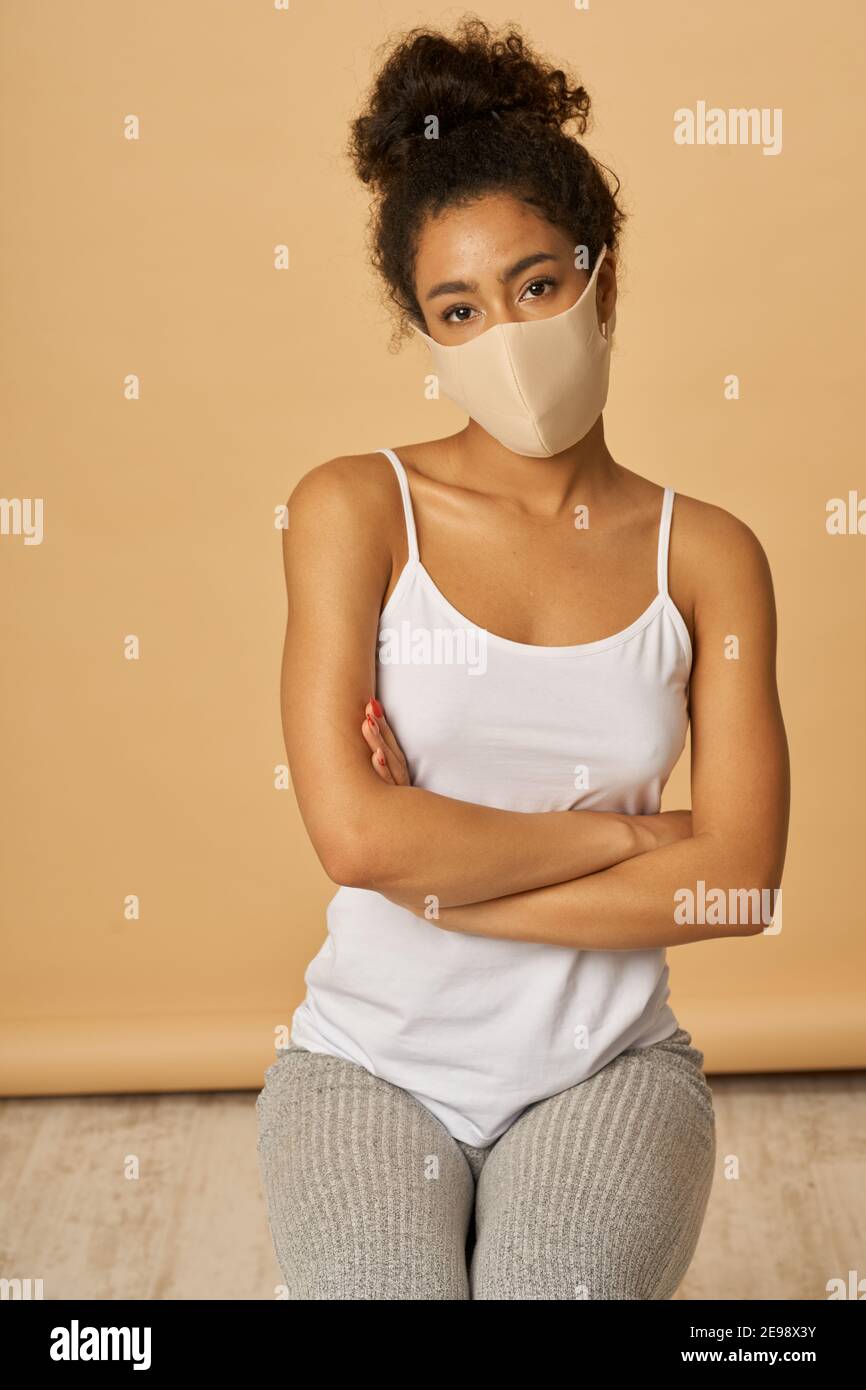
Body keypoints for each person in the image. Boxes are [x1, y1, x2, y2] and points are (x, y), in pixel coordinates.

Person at [256, 16, 790, 1300]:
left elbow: (734, 886)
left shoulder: (708, 554)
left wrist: (442, 871)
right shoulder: (351, 510)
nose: (504, 330)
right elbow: (356, 846)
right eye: (458, 306)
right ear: (423, 329)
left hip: (602, 1070)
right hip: (364, 1066)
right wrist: (632, 836)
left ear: (603, 276)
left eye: (535, 284)